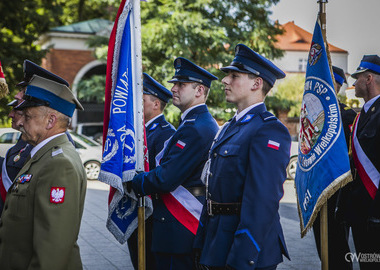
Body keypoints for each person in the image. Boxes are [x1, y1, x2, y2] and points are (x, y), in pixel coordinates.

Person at [193, 44, 291, 270]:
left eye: (234, 75)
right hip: (218, 240)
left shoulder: (268, 130)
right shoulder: (230, 127)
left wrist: (243, 256)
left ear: (257, 83)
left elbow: (262, 200)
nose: (225, 81)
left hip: (245, 248)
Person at [130, 57, 219, 270]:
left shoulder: (195, 127)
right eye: (174, 83)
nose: (173, 89)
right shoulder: (193, 123)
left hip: (179, 228)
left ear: (199, 91)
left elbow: (165, 178)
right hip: (176, 228)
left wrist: (135, 181)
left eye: (181, 84)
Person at [0, 74, 87, 269]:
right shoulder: (43, 155)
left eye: (28, 116)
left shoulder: (58, 164)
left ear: (50, 121)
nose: (21, 122)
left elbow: (52, 250)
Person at [0, 60, 73, 215]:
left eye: (27, 113)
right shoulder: (33, 139)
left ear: (50, 120)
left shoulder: (56, 154)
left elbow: (51, 228)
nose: (13, 115)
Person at [127, 73, 176, 270]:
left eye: (143, 99)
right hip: (137, 210)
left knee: (149, 264)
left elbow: (162, 176)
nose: (137, 103)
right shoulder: (139, 132)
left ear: (156, 104)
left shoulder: (166, 133)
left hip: (152, 215)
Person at [312, 65, 357, 269]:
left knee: (337, 245)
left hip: (337, 190)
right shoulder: (313, 114)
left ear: (336, 86)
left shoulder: (347, 115)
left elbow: (350, 156)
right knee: (322, 245)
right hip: (317, 189)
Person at [345, 55, 380, 269]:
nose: (353, 83)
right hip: (359, 210)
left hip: (375, 212)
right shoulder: (362, 115)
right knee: (366, 263)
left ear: (368, 79)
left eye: (356, 77)